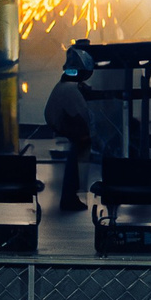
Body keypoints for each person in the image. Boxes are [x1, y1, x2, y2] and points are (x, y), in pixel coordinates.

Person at [42, 69, 95, 213]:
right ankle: (70, 197)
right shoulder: (72, 90)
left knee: (76, 152)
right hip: (65, 122)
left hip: (59, 120)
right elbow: (79, 115)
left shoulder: (66, 86)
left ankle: (70, 195)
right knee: (78, 151)